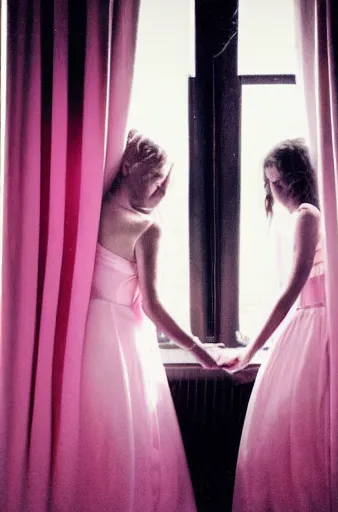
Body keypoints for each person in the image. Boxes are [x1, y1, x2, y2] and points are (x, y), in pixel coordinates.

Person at [76, 130, 219, 512]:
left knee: (92, 442)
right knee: (132, 443)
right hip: (125, 345)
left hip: (86, 340)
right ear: (127, 167)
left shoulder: (87, 210)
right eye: (158, 178)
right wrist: (197, 348)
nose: (163, 192)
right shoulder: (146, 229)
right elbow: (153, 307)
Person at [219, 139, 332, 511]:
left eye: (284, 182)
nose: (279, 192)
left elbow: (291, 293)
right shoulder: (312, 217)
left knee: (294, 438)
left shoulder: (306, 215)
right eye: (273, 184)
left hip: (315, 326)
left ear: (302, 179)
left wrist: (250, 352)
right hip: (311, 325)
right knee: (299, 439)